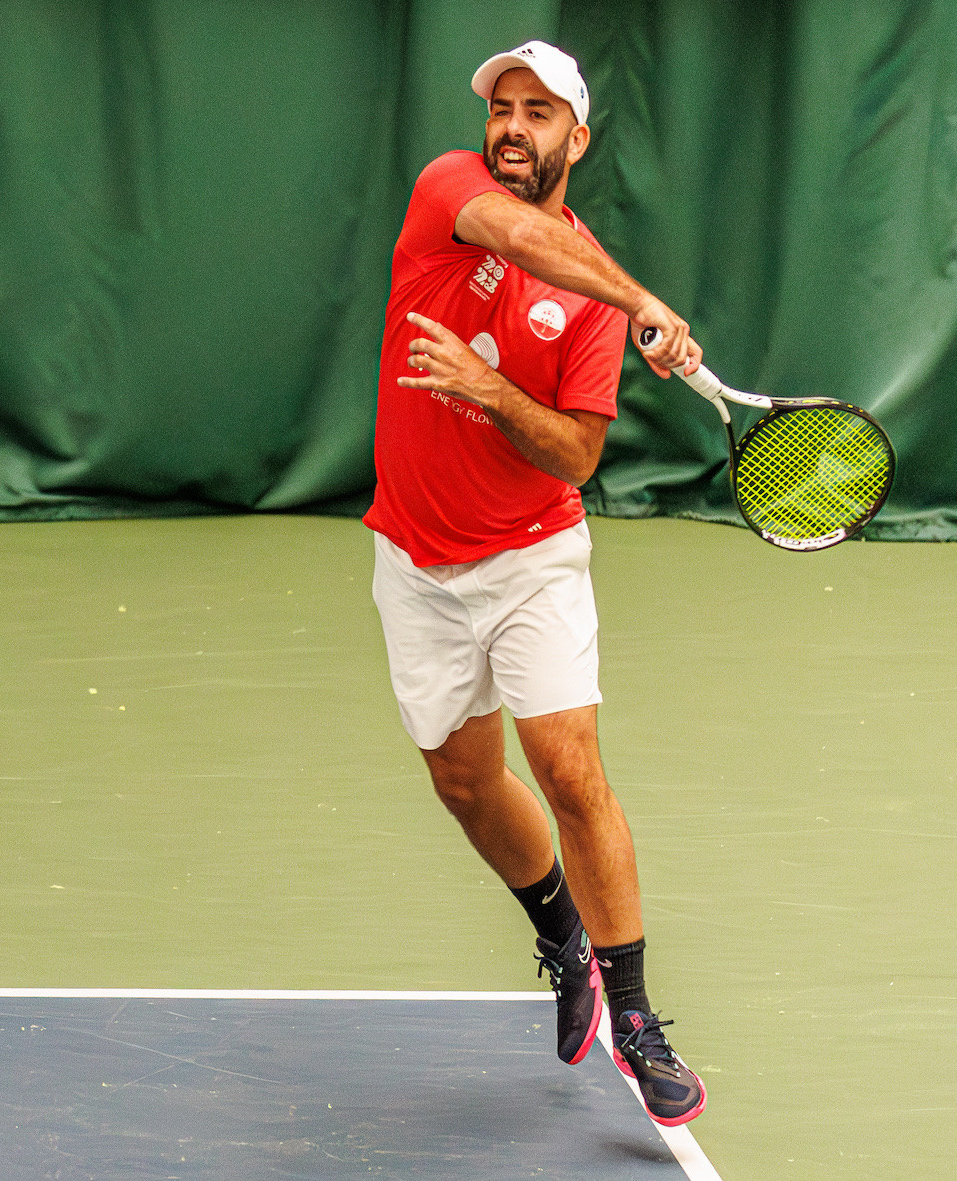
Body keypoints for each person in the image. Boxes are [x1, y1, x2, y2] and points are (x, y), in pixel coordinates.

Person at [364, 40, 705, 1127]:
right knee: (465, 783)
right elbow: (520, 237)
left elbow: (576, 455)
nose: (512, 126)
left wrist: (490, 389)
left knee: (567, 765)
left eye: (538, 111)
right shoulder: (448, 190)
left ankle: (636, 1014)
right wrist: (643, 296)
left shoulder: (593, 296)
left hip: (530, 558)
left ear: (577, 138)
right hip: (415, 557)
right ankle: (560, 931)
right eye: (502, 107)